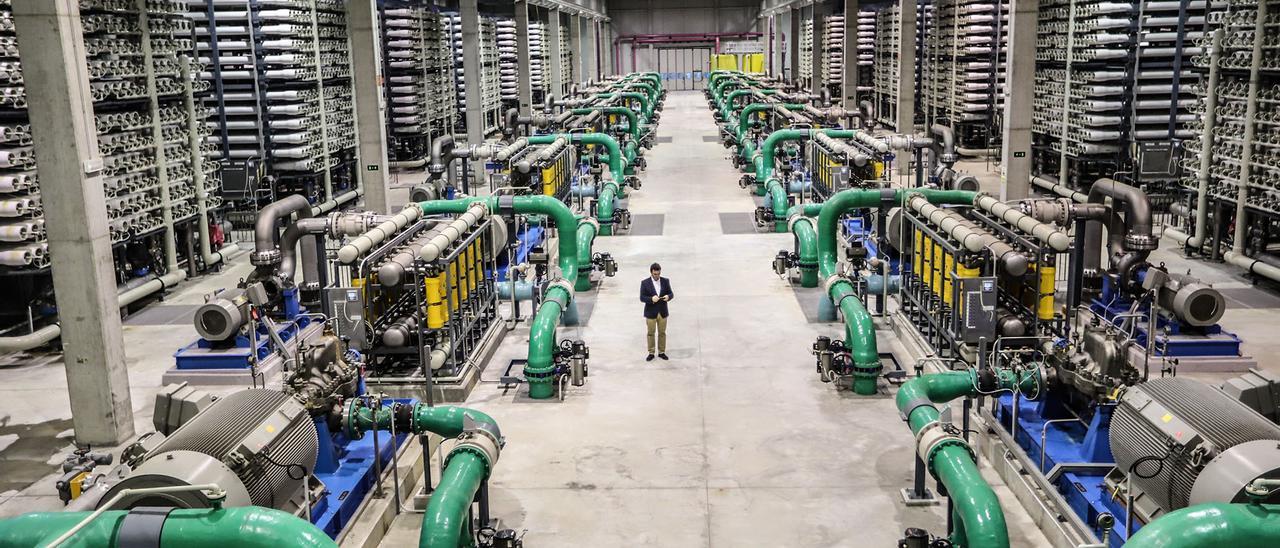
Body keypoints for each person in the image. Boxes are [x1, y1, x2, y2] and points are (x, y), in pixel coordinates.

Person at [639, 262, 673, 361]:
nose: (657, 276)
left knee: (662, 333)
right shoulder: (645, 283)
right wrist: (651, 299)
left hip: (662, 312)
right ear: (651, 272)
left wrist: (668, 297)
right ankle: (651, 352)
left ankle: (662, 352)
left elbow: (671, 293)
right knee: (651, 333)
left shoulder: (665, 281)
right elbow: (642, 297)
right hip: (650, 313)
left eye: (658, 274)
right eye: (655, 274)